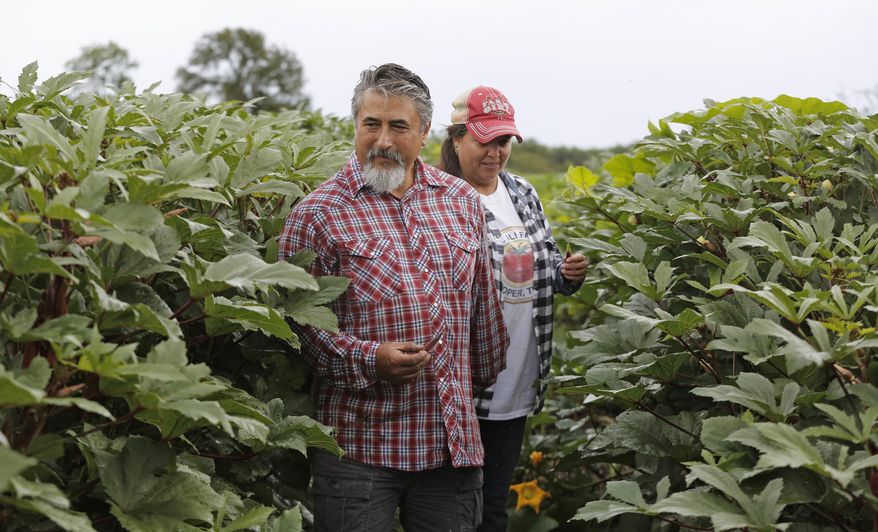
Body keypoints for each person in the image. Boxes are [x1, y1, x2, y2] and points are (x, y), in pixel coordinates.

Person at [277, 65, 508, 532]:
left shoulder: (461, 201)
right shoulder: (316, 214)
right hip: (358, 450)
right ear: (356, 126)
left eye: (398, 126)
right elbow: (296, 326)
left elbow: (484, 309)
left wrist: (476, 379)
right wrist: (368, 359)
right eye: (371, 124)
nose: (382, 140)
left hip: (451, 446)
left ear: (424, 132)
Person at [438, 86, 588, 532]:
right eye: (485, 141)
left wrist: (568, 273)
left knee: (494, 506)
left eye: (503, 142)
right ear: (458, 138)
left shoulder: (521, 191)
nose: (495, 152)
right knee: (453, 507)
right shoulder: (439, 196)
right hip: (462, 382)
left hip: (518, 376)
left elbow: (547, 263)